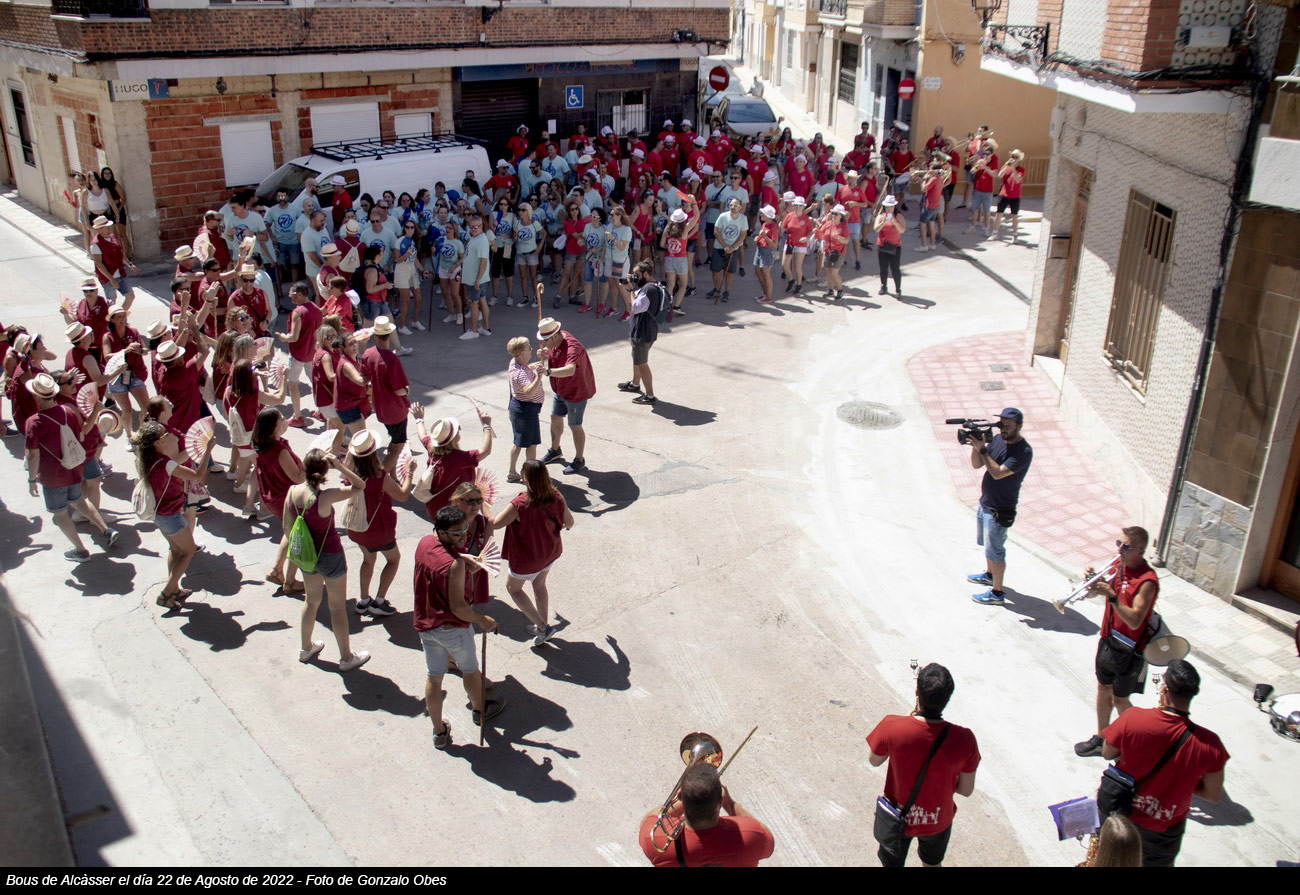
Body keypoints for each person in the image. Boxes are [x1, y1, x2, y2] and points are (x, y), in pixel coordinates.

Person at [1098, 658, 1228, 867]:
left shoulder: (1133, 718)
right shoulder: (1211, 745)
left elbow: (1107, 752)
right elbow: (1213, 795)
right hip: (1164, 831)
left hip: (1122, 815)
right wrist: (1183, 779)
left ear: (1165, 689)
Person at [866, 663, 980, 867]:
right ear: (948, 698)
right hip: (938, 821)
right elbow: (966, 789)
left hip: (898, 818)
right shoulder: (965, 739)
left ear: (917, 692)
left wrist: (906, 720)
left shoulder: (892, 726)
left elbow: (874, 760)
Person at [415, 505, 504, 750]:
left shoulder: (424, 543)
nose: (464, 536)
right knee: (470, 671)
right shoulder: (454, 566)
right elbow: (459, 608)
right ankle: (480, 710)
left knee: (434, 679)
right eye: (457, 533)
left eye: (465, 530)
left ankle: (438, 731)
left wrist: (464, 559)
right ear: (442, 532)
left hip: (426, 625)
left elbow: (440, 559)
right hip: (453, 630)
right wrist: (483, 620)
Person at [1074, 525, 1161, 755]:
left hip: (1130, 650)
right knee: (1103, 689)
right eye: (1118, 543)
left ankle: (1140, 743)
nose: (1120, 549)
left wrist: (1111, 596)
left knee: (1120, 700)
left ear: (1140, 550)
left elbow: (1135, 620)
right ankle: (1101, 737)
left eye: (1126, 546)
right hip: (1108, 642)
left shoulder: (1147, 581)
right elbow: (1094, 593)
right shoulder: (1118, 567)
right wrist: (1091, 583)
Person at [285, 448, 371, 672]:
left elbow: (287, 529)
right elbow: (360, 485)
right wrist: (340, 466)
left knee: (311, 601)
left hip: (306, 557)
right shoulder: (325, 496)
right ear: (324, 472)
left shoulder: (292, 492)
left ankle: (306, 648)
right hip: (330, 554)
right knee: (337, 608)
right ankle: (346, 658)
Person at [24, 373, 118, 561]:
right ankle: (106, 530)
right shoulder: (68, 411)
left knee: (60, 514)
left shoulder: (34, 422)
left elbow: (33, 455)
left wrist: (32, 479)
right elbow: (81, 436)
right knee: (79, 501)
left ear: (36, 396)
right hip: (74, 469)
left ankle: (80, 550)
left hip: (53, 476)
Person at [133, 420, 215, 607]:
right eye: (165, 435)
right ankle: (166, 593)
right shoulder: (166, 463)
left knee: (176, 550)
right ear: (157, 442)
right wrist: (208, 449)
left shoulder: (145, 458)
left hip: (158, 514)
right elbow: (197, 475)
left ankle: (175, 590)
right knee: (188, 551)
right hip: (170, 514)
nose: (169, 436)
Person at [492, 459, 573, 646]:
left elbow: (495, 524)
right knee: (539, 585)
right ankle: (541, 627)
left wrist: (483, 509)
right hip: (550, 552)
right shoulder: (556, 495)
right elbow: (569, 522)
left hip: (527, 558)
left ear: (525, 478)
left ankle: (543, 627)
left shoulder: (519, 504)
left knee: (513, 589)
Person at [637, 761, 775, 866]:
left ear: (679, 796)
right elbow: (769, 845)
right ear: (720, 800)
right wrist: (729, 802)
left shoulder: (654, 838)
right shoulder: (752, 834)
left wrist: (691, 795)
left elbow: (650, 818)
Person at [344, 429, 414, 618]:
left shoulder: (349, 473)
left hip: (358, 528)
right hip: (379, 530)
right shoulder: (379, 477)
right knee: (393, 559)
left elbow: (351, 459)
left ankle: (363, 600)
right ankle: (379, 601)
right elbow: (403, 495)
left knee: (368, 560)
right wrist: (409, 473)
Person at [967, 408, 1032, 605]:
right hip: (986, 502)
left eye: (1007, 426)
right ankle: (989, 575)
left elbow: (997, 473)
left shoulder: (1023, 452)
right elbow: (977, 465)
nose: (1003, 429)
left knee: (995, 551)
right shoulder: (997, 440)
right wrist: (976, 446)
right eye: (1001, 424)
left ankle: (997, 593)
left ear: (1018, 426)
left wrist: (983, 450)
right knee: (988, 548)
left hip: (1000, 509)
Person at [252, 408, 305, 595]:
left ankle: (276, 570)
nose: (284, 421)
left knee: (290, 533)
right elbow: (297, 477)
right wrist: (312, 464)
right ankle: (290, 581)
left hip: (274, 498)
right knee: (298, 539)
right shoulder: (279, 450)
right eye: (281, 419)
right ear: (273, 427)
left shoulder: (262, 445)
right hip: (288, 499)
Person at [536, 317, 596, 475]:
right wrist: (547, 352)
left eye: (545, 341)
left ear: (555, 336)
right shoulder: (557, 339)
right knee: (555, 418)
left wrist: (548, 371)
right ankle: (555, 450)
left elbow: (570, 369)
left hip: (576, 392)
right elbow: (556, 352)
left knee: (575, 425)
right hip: (561, 389)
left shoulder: (572, 346)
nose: (544, 343)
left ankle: (579, 459)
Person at [413, 406, 493, 519]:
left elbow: (422, 435)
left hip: (433, 507)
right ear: (455, 438)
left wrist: (419, 419)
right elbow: (485, 451)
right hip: (453, 511)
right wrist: (486, 425)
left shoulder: (431, 448)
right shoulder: (458, 458)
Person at [615, 260, 664, 405]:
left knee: (642, 363)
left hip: (643, 332)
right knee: (636, 358)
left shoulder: (649, 289)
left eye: (637, 275)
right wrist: (629, 287)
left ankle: (650, 395)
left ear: (646, 274)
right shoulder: (653, 286)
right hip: (646, 330)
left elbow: (635, 307)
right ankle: (635, 383)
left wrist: (630, 290)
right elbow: (637, 298)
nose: (635, 277)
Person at [275, 280, 322, 428]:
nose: (290, 296)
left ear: (300, 294)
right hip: (312, 352)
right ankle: (321, 411)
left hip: (298, 354)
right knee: (315, 382)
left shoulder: (298, 313)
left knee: (292, 383)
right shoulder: (316, 309)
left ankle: (297, 416)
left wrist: (283, 337)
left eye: (292, 293)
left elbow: (294, 337)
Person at [505, 336, 545, 484]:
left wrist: (531, 366)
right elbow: (529, 392)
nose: (531, 349)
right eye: (529, 348)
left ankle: (512, 472)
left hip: (519, 408)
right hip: (527, 410)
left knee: (519, 442)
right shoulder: (520, 373)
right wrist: (538, 377)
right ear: (521, 353)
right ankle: (530, 475)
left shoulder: (514, 363)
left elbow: (523, 369)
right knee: (530, 444)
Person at [89, 216, 138, 303]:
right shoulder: (95, 244)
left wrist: (130, 264)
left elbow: (120, 253)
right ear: (99, 229)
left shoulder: (112, 237)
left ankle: (121, 312)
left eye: (109, 227)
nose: (109, 229)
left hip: (120, 272)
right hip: (108, 277)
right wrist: (111, 279)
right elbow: (99, 264)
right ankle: (113, 312)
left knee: (130, 296)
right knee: (112, 301)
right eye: (106, 227)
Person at [709, 197, 747, 303]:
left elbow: (743, 235)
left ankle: (726, 291)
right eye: (731, 205)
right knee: (715, 270)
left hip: (733, 249)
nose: (733, 207)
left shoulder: (743, 218)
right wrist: (724, 245)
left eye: (735, 205)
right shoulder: (722, 216)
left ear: (740, 207)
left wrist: (733, 247)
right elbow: (716, 231)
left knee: (729, 271)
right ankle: (716, 289)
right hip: (719, 247)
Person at [460, 215, 492, 340]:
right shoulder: (475, 238)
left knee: (474, 304)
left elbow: (483, 261)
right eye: (471, 227)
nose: (473, 229)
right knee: (482, 300)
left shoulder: (481, 240)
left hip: (476, 278)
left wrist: (477, 279)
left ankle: (473, 330)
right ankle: (486, 328)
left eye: (476, 227)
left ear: (481, 225)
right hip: (475, 277)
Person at [874, 195, 905, 297]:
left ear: (894, 207)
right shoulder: (880, 216)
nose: (889, 209)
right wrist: (883, 223)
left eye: (891, 207)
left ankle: (898, 289)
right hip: (882, 245)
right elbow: (876, 229)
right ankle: (884, 286)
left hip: (895, 246)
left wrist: (894, 222)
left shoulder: (899, 216)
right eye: (887, 207)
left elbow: (902, 230)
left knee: (895, 268)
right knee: (883, 267)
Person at [992, 149, 1026, 243]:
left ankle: (1015, 236)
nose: (1014, 159)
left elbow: (1018, 180)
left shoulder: (1021, 170)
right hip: (1004, 193)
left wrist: (1013, 168)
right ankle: (995, 233)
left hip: (1015, 195)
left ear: (1019, 159)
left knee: (1014, 215)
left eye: (1016, 157)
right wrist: (1007, 167)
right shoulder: (1005, 166)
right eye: (1012, 156)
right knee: (999, 214)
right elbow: (999, 175)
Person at [780, 196, 812, 294]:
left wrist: (806, 238)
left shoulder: (806, 218)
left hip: (800, 244)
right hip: (790, 243)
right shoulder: (789, 216)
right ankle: (791, 280)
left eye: (800, 205)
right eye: (796, 205)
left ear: (803, 207)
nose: (798, 207)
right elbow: (784, 228)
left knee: (797, 267)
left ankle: (799, 284)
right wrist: (781, 227)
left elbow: (810, 231)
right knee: (784, 265)